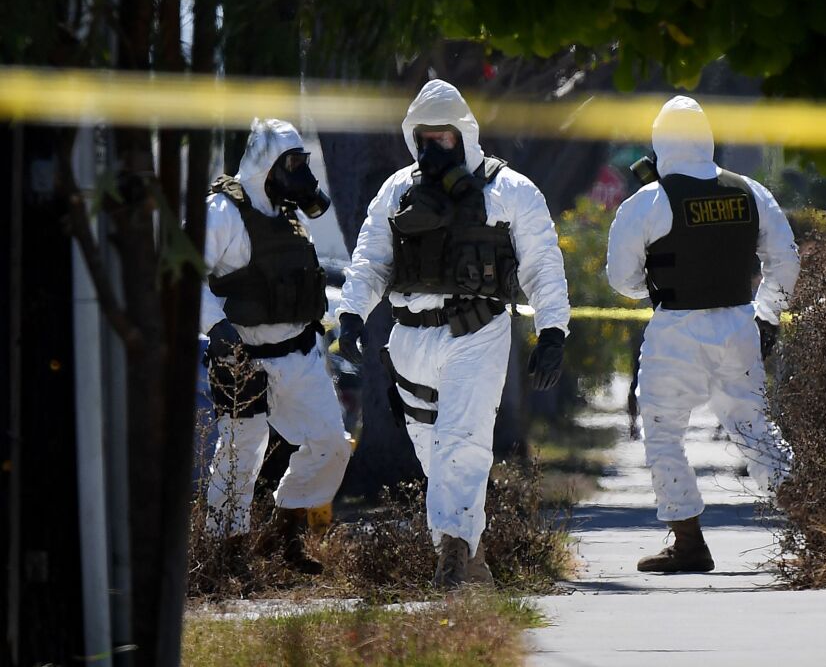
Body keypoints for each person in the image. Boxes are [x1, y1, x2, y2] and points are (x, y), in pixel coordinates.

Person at [336, 79, 570, 588]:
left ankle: (453, 558)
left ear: (463, 135)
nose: (432, 147)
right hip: (409, 342)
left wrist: (553, 331)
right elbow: (370, 258)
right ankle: (469, 555)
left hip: (477, 336)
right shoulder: (397, 190)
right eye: (424, 137)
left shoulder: (509, 191)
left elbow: (542, 267)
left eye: (442, 137)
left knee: (462, 445)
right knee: (434, 456)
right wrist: (352, 314)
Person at [606, 96, 800, 573]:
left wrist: (651, 286)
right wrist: (768, 314)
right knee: (755, 430)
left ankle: (689, 543)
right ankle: (816, 523)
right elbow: (786, 261)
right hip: (739, 324)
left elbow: (621, 279)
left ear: (660, 142)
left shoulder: (647, 202)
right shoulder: (750, 191)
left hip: (675, 330)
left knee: (663, 433)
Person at [201, 118, 353, 569]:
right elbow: (186, 274)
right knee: (239, 456)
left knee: (331, 444)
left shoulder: (289, 215)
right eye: (289, 163)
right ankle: (225, 556)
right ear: (265, 164)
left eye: (300, 162)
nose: (298, 172)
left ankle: (284, 537)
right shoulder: (222, 212)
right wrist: (216, 329)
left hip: (298, 354)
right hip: (242, 356)